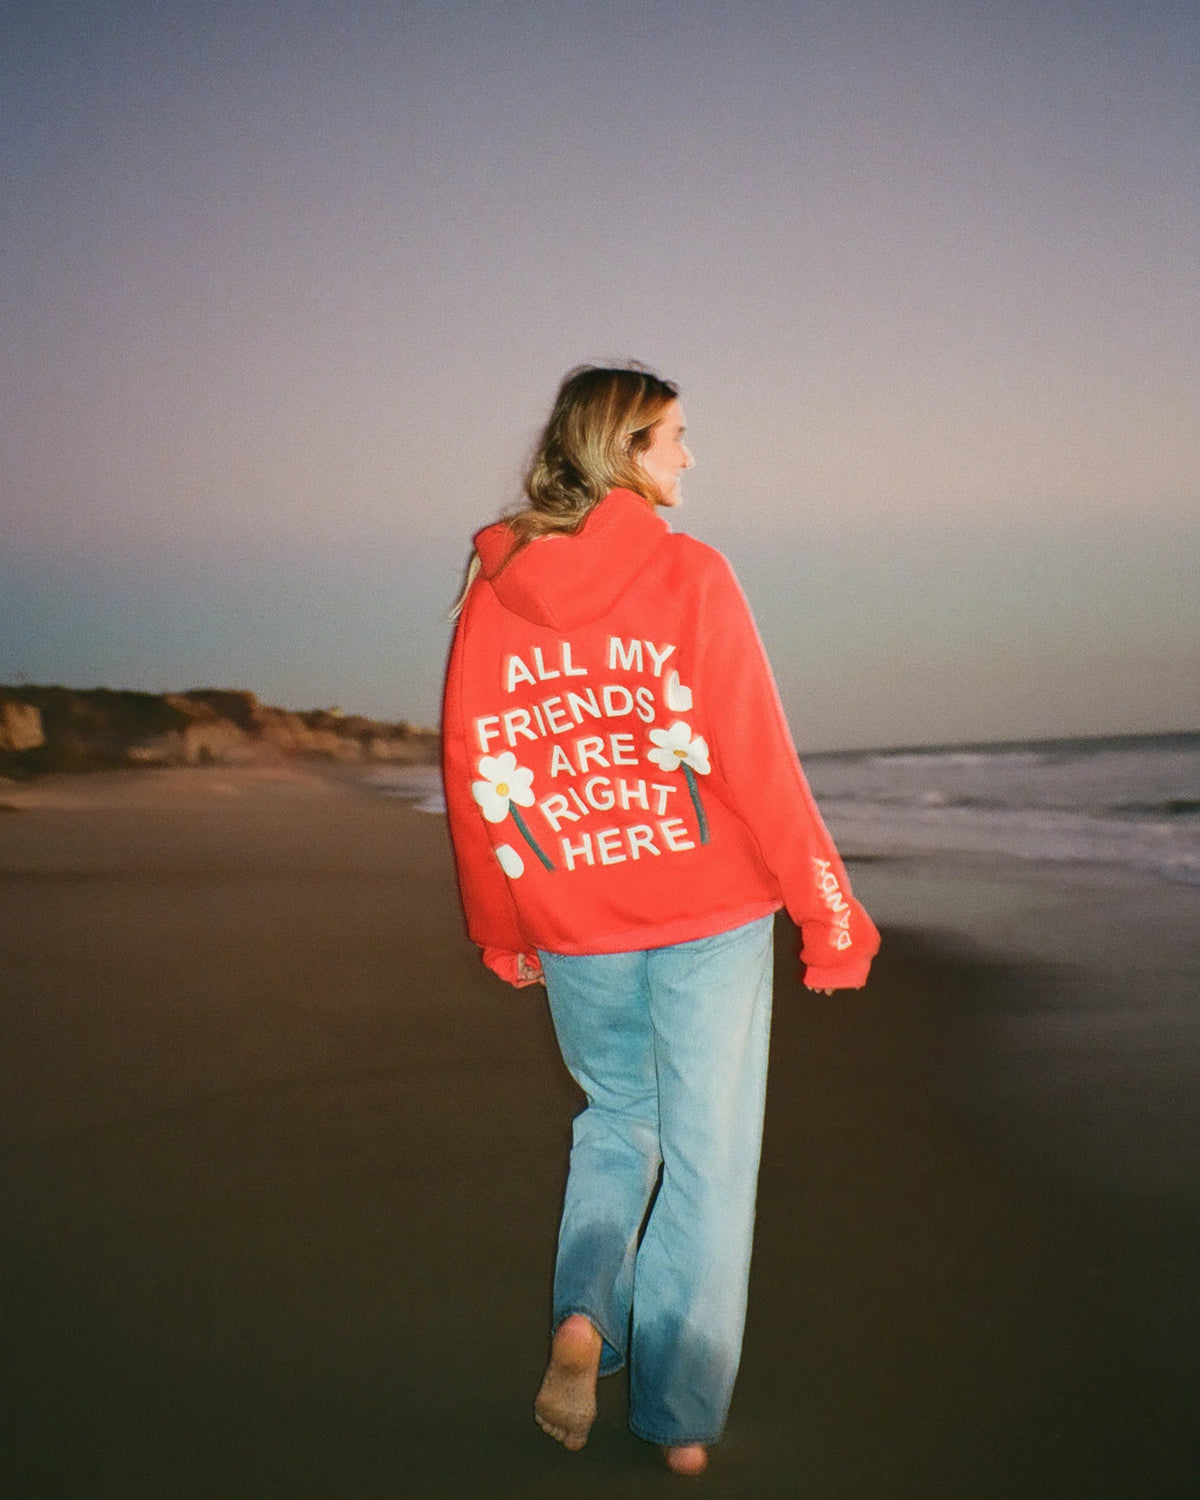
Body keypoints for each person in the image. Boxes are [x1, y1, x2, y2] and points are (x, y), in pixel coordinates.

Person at [442, 364, 879, 1477]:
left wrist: (504, 921)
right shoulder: (690, 575)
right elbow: (756, 760)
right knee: (706, 1156)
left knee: (616, 1119)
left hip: (577, 912)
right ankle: (679, 1423)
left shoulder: (495, 593)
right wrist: (832, 916)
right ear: (623, 450)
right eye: (675, 437)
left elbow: (475, 767)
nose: (690, 458)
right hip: (706, 908)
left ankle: (585, 1318)